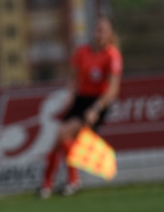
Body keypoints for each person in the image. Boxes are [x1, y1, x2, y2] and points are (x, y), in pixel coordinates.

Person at [40, 17, 122, 198]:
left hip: (96, 103)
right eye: (98, 30)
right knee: (61, 139)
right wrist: (69, 94)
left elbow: (113, 90)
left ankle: (60, 182)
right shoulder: (82, 52)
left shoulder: (112, 55)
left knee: (64, 134)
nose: (100, 34)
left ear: (110, 33)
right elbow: (73, 77)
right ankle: (53, 184)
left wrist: (96, 109)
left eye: (104, 30)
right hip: (80, 100)